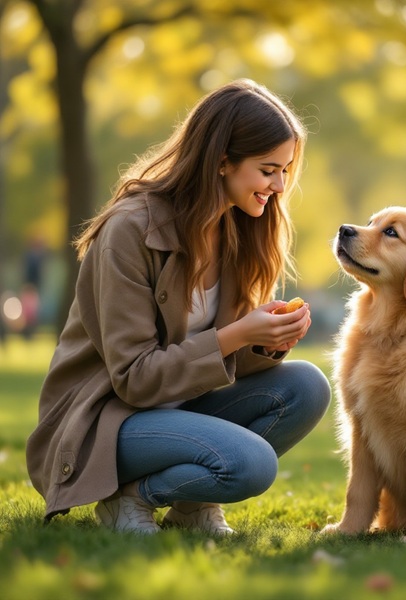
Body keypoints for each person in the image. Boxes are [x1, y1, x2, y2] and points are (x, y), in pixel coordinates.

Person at [25, 79, 331, 535]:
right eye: (269, 170)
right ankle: (130, 497)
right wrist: (239, 334)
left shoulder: (237, 229)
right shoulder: (130, 231)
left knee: (308, 386)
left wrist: (267, 342)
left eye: (286, 171)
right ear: (223, 162)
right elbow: (136, 379)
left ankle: (191, 507)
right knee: (250, 464)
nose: (280, 186)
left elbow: (211, 361)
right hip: (107, 424)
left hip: (181, 410)